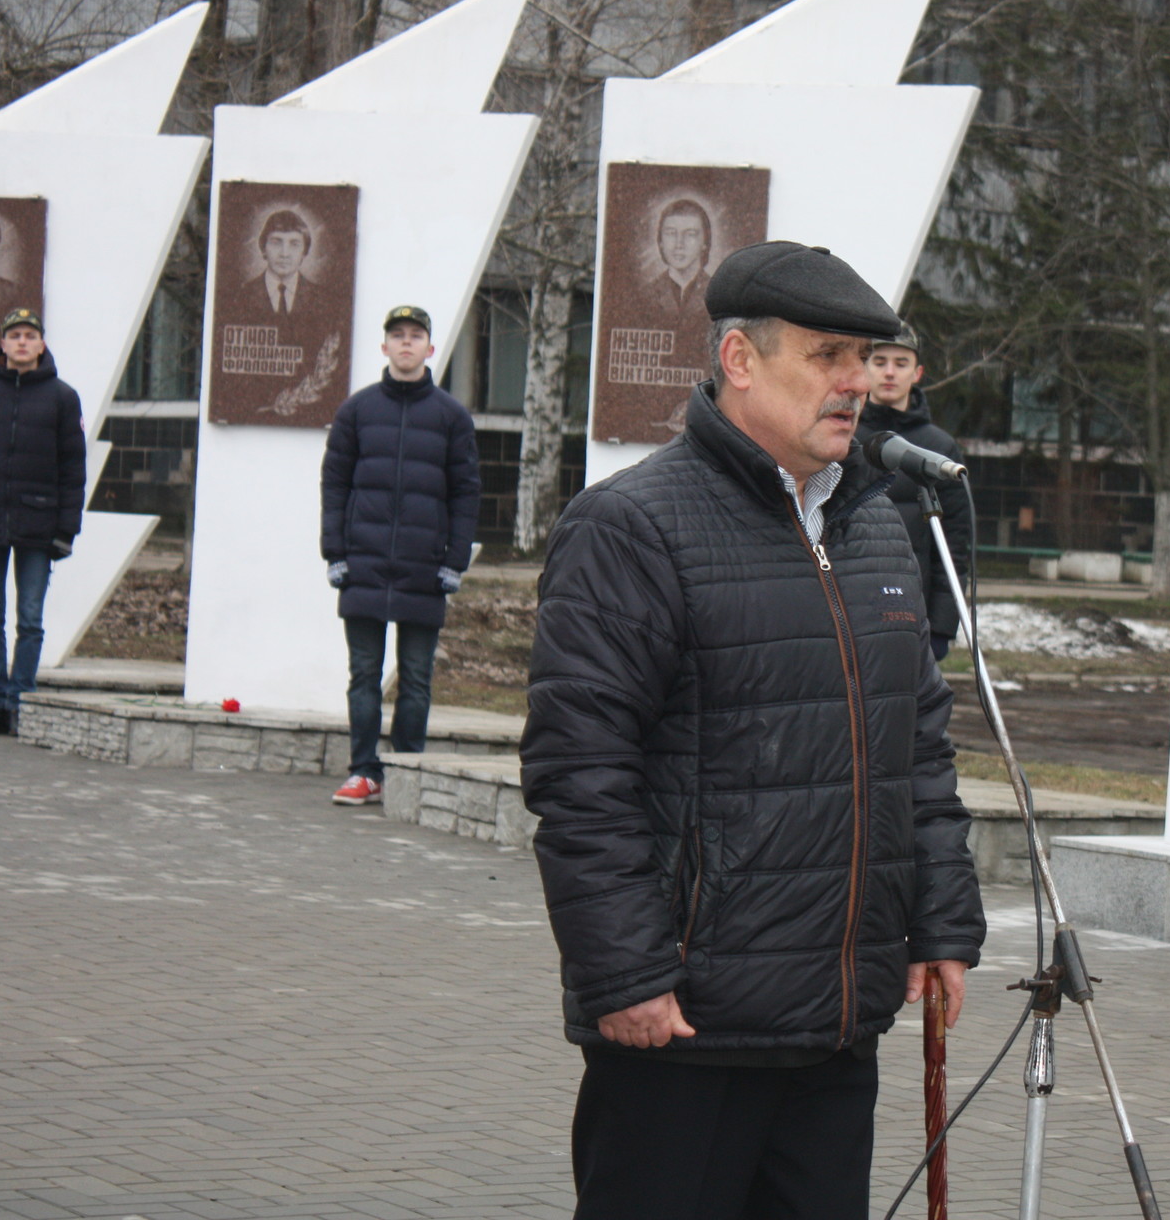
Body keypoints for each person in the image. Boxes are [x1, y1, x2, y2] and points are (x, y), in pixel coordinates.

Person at [522, 241, 986, 1220]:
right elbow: (580, 773)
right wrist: (625, 972)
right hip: (684, 1026)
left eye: (866, 359)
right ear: (740, 359)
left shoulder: (875, 528)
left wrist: (941, 917)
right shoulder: (633, 528)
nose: (858, 383)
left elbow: (919, 744)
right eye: (828, 356)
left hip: (834, 1024)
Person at [319, 305, 480, 806]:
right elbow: (335, 484)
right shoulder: (357, 411)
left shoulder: (451, 417)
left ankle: (405, 768)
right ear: (384, 346)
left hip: (423, 570)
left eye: (415, 336)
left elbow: (466, 492)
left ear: (430, 348)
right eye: (397, 336)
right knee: (364, 675)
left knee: (415, 678)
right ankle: (364, 771)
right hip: (364, 565)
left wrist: (454, 560)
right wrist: (335, 552)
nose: (406, 344)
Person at [0, 308, 86, 736]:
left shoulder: (63, 398)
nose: (22, 342)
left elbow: (73, 468)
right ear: (2, 345)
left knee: (30, 618)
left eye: (30, 335)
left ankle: (21, 703)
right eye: (15, 335)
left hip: (38, 526)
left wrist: (65, 530)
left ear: (41, 345)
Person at [855, 321, 972, 663]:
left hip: (915, 614)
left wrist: (942, 625)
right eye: (879, 362)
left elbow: (954, 546)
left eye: (901, 363)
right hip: (853, 609)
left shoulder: (939, 449)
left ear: (917, 372)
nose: (889, 372)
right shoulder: (841, 436)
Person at [648, 197, 714, 376]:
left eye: (690, 234)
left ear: (705, 242)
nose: (679, 244)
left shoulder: (718, 294)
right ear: (660, 241)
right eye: (671, 233)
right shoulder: (647, 294)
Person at [237, 210, 315, 320]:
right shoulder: (240, 296)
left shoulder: (322, 299)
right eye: (276, 242)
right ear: (264, 248)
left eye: (294, 244)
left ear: (304, 252)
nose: (284, 254)